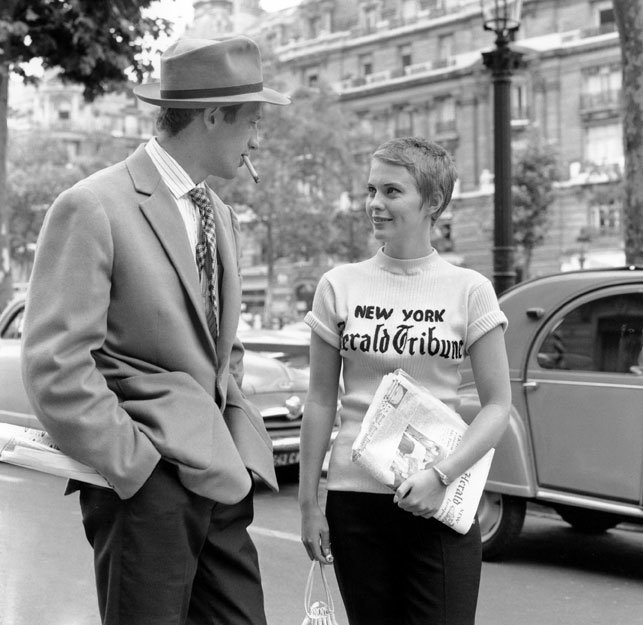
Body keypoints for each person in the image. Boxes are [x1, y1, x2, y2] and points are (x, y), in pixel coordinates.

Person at [21, 36, 289, 625]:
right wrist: (138, 470)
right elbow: (56, 366)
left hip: (222, 479)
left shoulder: (218, 214)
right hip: (147, 489)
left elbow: (225, 349)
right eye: (253, 120)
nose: (257, 138)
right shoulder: (91, 206)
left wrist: (239, 446)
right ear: (214, 116)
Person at [299, 137, 511, 625]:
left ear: (433, 202)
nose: (375, 204)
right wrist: (310, 503)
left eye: (392, 192)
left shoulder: (470, 290)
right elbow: (319, 400)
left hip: (439, 501)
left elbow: (498, 405)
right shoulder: (339, 285)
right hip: (355, 505)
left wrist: (441, 476)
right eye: (371, 190)